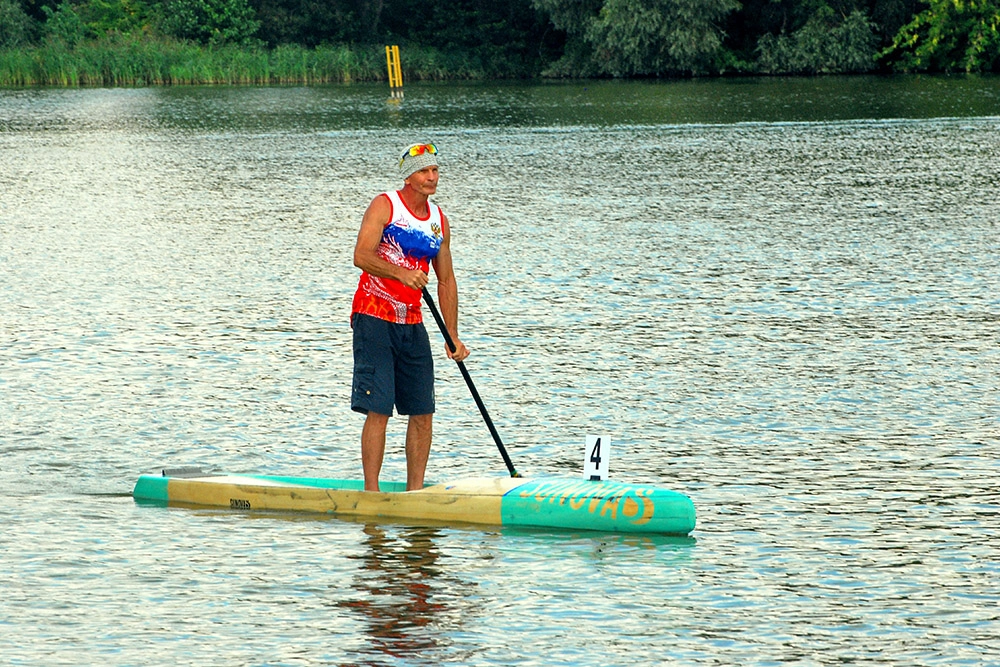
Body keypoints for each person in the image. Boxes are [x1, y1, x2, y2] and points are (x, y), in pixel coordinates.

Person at [351, 142, 470, 492]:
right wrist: (400, 274)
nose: (432, 177)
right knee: (380, 407)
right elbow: (361, 255)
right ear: (408, 176)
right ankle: (371, 492)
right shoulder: (385, 205)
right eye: (424, 171)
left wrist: (453, 335)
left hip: (412, 323)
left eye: (435, 171)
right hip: (373, 316)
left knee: (422, 410)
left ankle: (414, 493)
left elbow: (446, 280)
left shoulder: (439, 221)